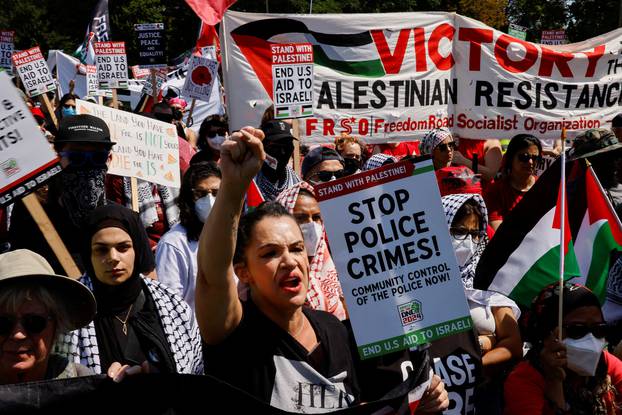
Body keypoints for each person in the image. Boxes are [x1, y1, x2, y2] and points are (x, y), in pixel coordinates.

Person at [196, 127, 448, 412]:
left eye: (296, 248)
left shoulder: (335, 331)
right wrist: (232, 186)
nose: (290, 261)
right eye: (270, 253)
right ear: (243, 272)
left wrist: (419, 401)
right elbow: (210, 275)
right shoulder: (237, 337)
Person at [57, 204, 203, 375]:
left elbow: (195, 373)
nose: (113, 258)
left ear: (137, 250)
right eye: (101, 250)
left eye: (123, 247)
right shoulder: (69, 313)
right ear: (88, 256)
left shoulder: (173, 306)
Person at [441, 194, 521, 413]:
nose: (468, 241)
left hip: (482, 396)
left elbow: (513, 344)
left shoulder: (488, 278)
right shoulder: (419, 282)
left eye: (475, 234)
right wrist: (487, 342)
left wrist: (473, 366)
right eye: (458, 231)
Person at [9, 114, 115, 273]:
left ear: (109, 159)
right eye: (76, 157)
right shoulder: (32, 212)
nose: (87, 164)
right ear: (57, 158)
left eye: (97, 157)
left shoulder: (120, 218)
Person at [504, 282, 622, 414]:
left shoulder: (606, 364)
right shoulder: (524, 380)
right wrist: (554, 382)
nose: (590, 339)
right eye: (577, 330)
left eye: (599, 329)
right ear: (547, 333)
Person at [0, 249, 96, 384]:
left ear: (56, 326)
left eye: (34, 322)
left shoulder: (82, 382)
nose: (18, 335)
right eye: (2, 323)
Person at [275, 182, 346, 320]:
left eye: (316, 217)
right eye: (301, 218)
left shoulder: (333, 264)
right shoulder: (276, 269)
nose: (312, 224)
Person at [156, 161, 221, 310]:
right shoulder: (173, 244)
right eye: (200, 194)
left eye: (216, 193)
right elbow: (171, 306)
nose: (210, 201)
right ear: (188, 198)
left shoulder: (235, 236)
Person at [483, 134, 542, 230]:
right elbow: (497, 230)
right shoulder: (495, 190)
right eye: (524, 157)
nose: (531, 162)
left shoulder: (545, 187)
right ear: (511, 158)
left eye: (535, 158)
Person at [568, 128, 622, 218]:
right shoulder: (569, 196)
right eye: (609, 158)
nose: (616, 163)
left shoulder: (619, 189)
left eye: (617, 156)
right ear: (587, 163)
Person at [255, 120, 301, 201]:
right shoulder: (249, 180)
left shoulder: (296, 183)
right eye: (276, 147)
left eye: (287, 147)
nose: (283, 152)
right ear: (263, 147)